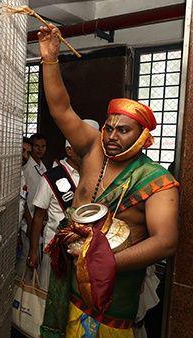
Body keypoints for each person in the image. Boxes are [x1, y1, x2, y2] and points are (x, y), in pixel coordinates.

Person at [36, 24, 180, 338]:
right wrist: (49, 59)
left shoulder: (157, 181)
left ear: (143, 137)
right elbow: (60, 109)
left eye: (123, 130)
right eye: (109, 127)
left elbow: (166, 242)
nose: (112, 136)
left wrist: (105, 263)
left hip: (113, 297)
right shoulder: (92, 150)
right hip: (69, 284)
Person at [27, 123, 95, 290]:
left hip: (85, 252)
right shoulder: (51, 177)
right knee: (50, 297)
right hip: (55, 250)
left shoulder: (95, 175)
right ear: (69, 150)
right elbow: (38, 218)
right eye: (83, 148)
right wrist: (34, 251)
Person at [17, 137, 33, 275]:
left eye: (28, 153)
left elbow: (23, 201)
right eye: (22, 151)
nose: (25, 156)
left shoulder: (21, 174)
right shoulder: (4, 173)